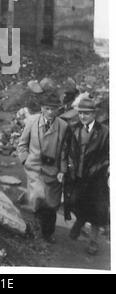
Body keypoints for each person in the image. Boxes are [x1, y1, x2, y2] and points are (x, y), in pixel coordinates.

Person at [18, 91, 70, 243]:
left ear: (58, 110)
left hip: (53, 172)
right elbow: (22, 145)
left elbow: (64, 152)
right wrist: (25, 161)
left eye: (53, 109)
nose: (50, 112)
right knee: (37, 199)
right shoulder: (32, 121)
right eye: (47, 108)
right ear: (42, 108)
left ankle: (48, 233)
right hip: (34, 169)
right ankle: (37, 231)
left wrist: (62, 170)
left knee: (51, 204)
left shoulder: (63, 126)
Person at [62, 97, 109, 255]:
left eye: (87, 113)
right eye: (81, 113)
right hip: (78, 177)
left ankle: (93, 242)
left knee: (97, 211)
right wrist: (69, 167)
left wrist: (96, 168)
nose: (83, 116)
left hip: (96, 180)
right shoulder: (73, 128)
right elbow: (67, 151)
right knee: (75, 201)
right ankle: (80, 221)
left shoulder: (104, 132)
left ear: (94, 114)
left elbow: (109, 156)